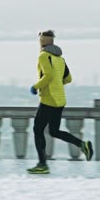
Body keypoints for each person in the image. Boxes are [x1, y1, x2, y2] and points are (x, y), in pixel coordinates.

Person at [27, 30, 94, 174]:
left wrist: (35, 87)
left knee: (37, 130)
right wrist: (57, 84)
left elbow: (48, 75)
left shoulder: (43, 55)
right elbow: (68, 79)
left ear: (42, 41)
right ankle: (82, 145)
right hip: (60, 100)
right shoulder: (60, 59)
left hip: (48, 99)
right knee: (54, 131)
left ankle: (42, 164)